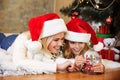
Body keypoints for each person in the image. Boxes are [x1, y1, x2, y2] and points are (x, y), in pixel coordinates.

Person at [0, 13, 75, 75]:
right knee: (1, 38)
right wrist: (57, 67)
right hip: (10, 42)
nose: (60, 44)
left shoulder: (51, 45)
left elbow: (53, 59)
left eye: (62, 39)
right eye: (56, 40)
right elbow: (19, 62)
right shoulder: (23, 40)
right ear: (44, 39)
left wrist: (73, 62)